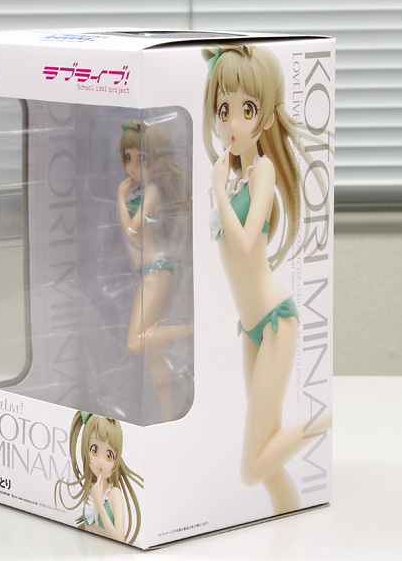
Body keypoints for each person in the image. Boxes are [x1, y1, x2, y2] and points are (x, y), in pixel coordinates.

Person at [202, 44, 332, 514]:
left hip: (276, 322)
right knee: (266, 455)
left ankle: (326, 420)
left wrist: (218, 193)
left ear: (266, 117)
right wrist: (222, 188)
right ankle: (288, 518)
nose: (232, 123)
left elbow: (244, 242)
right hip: (251, 328)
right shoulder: (236, 176)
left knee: (250, 468)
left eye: (247, 109)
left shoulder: (262, 172)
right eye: (224, 110)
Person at [117, 120, 193, 421]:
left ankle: (193, 330)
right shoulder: (142, 192)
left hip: (157, 270)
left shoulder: (151, 191)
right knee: (154, 355)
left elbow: (133, 230)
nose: (132, 166)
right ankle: (168, 416)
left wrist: (119, 200)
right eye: (128, 158)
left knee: (136, 341)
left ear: (157, 160)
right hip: (150, 270)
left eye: (141, 158)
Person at [54, 411, 143, 544]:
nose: (101, 461)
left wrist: (99, 503)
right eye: (94, 450)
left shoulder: (114, 494)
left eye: (109, 455)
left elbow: (120, 540)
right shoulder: (89, 492)